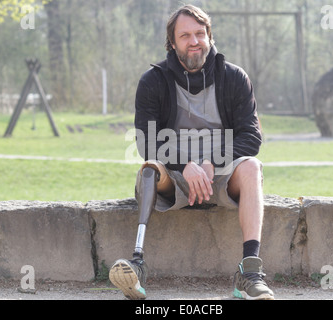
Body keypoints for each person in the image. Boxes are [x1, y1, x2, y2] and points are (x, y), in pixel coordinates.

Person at [109, 4, 274, 300]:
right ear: (172, 43)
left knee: (252, 166)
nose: (194, 41)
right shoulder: (153, 81)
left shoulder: (235, 78)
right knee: (149, 167)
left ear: (209, 36)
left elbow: (252, 136)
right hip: (174, 178)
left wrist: (212, 163)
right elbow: (146, 142)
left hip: (222, 176)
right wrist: (186, 165)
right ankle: (137, 265)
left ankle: (249, 273)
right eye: (185, 35)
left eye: (200, 33)